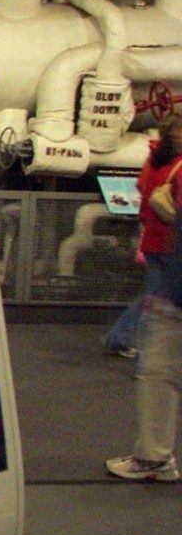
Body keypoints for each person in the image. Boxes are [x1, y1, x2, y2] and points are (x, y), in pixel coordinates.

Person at [105, 165, 182, 482]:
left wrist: (169, 295)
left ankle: (154, 459)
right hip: (171, 284)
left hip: (174, 293)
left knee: (158, 371)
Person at [103, 113, 182, 357]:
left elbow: (142, 188)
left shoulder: (154, 158)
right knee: (159, 301)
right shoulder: (179, 166)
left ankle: (120, 337)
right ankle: (149, 359)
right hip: (172, 243)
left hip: (152, 238)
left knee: (155, 296)